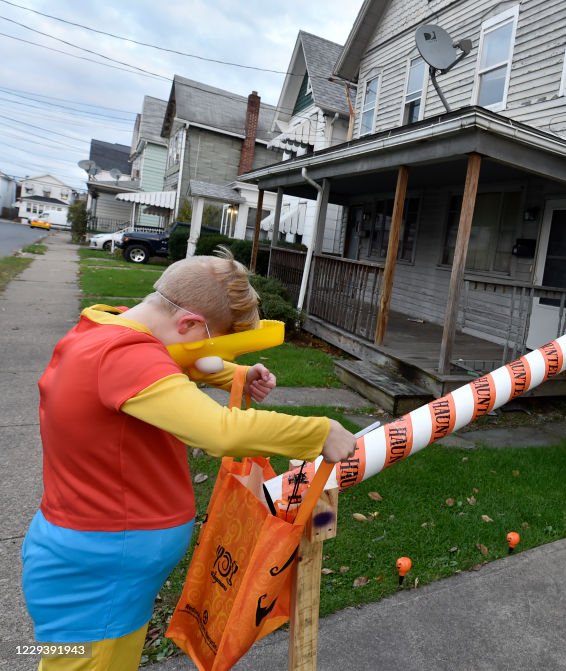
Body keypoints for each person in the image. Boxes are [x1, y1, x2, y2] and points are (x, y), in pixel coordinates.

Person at [21, 249, 356, 671]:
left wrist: (233, 375)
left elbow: (172, 360)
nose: (213, 355)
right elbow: (219, 431)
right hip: (103, 567)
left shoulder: (105, 327)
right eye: (212, 343)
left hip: (94, 557)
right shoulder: (125, 357)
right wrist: (317, 432)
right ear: (189, 324)